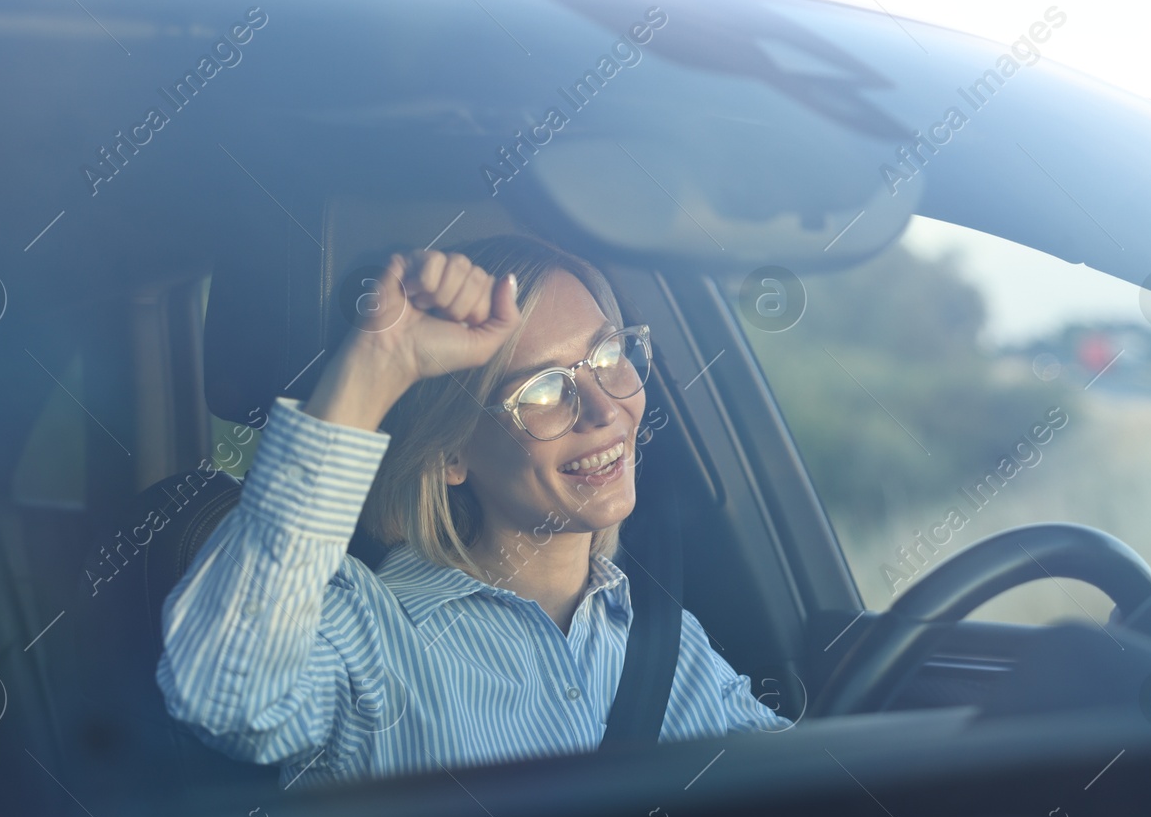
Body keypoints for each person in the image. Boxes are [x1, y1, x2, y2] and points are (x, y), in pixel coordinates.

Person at [156, 234, 791, 787]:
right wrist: (377, 363)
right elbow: (225, 696)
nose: (605, 411)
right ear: (450, 455)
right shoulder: (369, 632)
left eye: (607, 356)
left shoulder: (663, 639)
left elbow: (802, 799)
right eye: (542, 390)